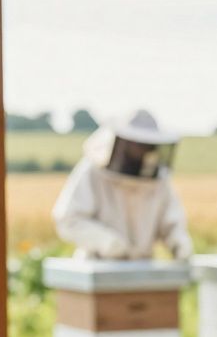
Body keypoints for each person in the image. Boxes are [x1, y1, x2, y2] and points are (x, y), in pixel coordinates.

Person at [52, 109, 193, 260]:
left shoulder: (157, 178)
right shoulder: (93, 171)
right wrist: (106, 242)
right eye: (138, 144)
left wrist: (178, 240)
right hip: (98, 264)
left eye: (147, 145)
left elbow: (171, 221)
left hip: (142, 265)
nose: (143, 150)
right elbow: (69, 220)